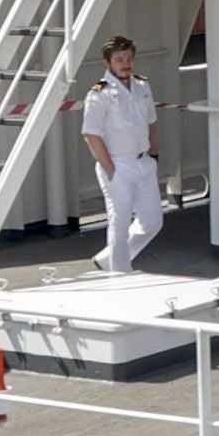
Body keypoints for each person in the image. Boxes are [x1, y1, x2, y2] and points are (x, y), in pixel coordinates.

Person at [80, 32, 165, 275]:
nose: (126, 64)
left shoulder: (142, 86)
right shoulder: (99, 94)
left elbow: (152, 122)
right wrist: (109, 169)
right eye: (120, 60)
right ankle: (120, 273)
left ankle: (109, 259)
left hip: (143, 161)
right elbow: (91, 134)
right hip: (118, 164)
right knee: (119, 222)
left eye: (129, 59)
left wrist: (154, 155)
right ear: (107, 63)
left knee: (152, 222)